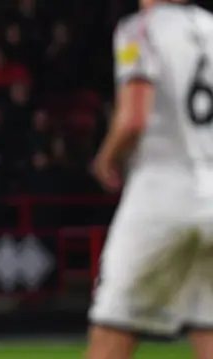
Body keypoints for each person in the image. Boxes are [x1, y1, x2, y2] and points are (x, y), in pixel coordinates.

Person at [89, 1, 213, 359]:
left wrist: (106, 159)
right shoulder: (209, 27)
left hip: (160, 195)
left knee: (113, 330)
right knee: (208, 329)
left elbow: (134, 118)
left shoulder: (139, 30)